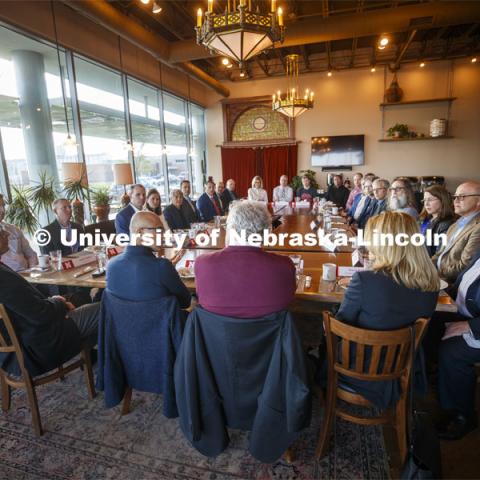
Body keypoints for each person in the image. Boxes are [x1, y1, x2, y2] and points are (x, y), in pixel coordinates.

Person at [336, 212, 440, 409]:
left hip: (361, 368)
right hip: (404, 366)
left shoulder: (365, 281)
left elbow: (341, 325)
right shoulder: (432, 282)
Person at [0, 227, 99, 377]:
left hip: (14, 350)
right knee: (106, 308)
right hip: (39, 347)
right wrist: (59, 302)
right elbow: (41, 315)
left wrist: (56, 301)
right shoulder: (3, 278)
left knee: (78, 298)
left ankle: (92, 355)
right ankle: (111, 367)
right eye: (1, 232)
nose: (7, 234)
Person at [195, 201, 296, 318]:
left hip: (215, 335)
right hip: (270, 335)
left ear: (232, 229)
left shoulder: (203, 264)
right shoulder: (284, 265)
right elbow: (290, 299)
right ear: (266, 232)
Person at [434, 253, 480, 440]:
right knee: (429, 323)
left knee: (452, 352)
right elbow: (462, 284)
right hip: (466, 313)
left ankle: (463, 416)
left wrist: (469, 326)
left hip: (475, 324)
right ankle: (439, 379)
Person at [106, 211, 191, 308]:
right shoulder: (162, 266)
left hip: (121, 322)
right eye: (159, 230)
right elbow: (185, 302)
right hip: (159, 322)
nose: (163, 236)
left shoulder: (111, 265)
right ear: (140, 232)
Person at [432, 181, 480, 283]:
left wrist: (435, 273)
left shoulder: (478, 227)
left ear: (478, 200)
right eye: (455, 196)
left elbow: (465, 266)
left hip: (452, 286)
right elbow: (440, 254)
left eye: (462, 196)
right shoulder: (454, 224)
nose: (456, 200)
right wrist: (422, 267)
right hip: (437, 278)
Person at [0, 193, 37, 271]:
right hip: (5, 279)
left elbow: (31, 255)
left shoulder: (14, 229)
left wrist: (33, 273)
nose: (2, 210)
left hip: (26, 276)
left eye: (3, 206)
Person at [419, 185, 456, 257]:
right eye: (425, 200)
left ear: (442, 200)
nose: (426, 204)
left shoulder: (446, 224)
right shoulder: (425, 220)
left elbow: (439, 253)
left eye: (430, 200)